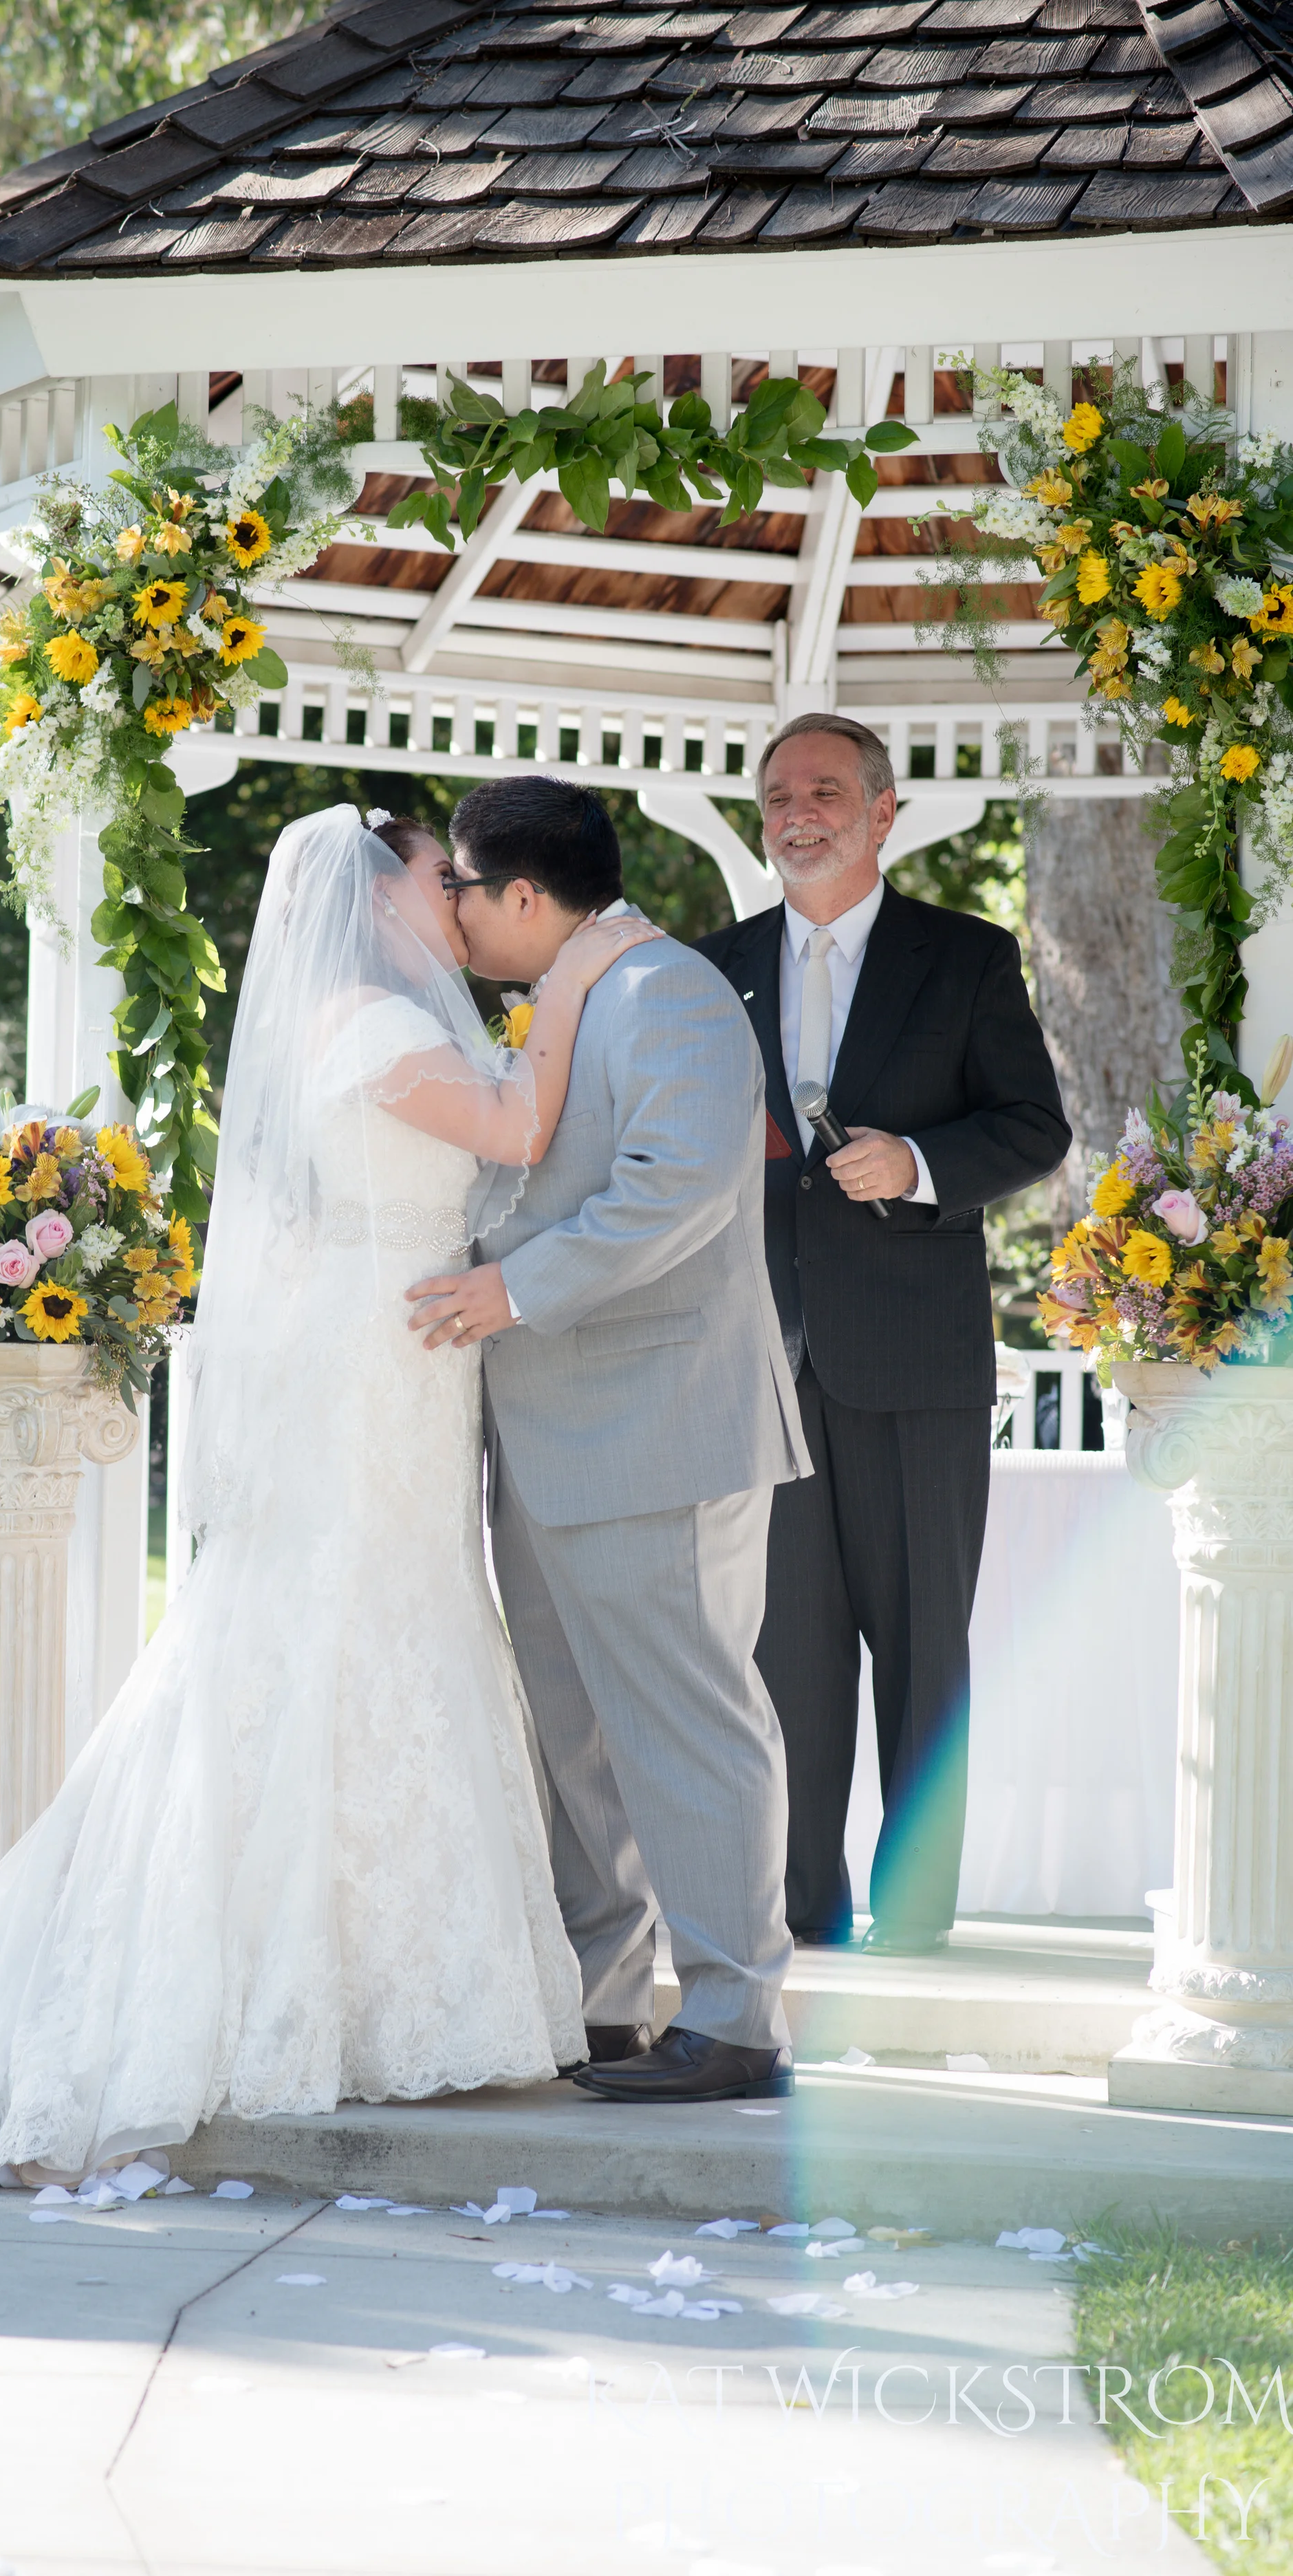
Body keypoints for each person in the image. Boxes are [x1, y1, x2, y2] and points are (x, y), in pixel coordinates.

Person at [0, 804, 660, 2183]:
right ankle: (306, 1987)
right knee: (342, 1618)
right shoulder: (368, 1026)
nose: (462, 894)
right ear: (378, 899)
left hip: (402, 1349)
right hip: (374, 1353)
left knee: (396, 1614)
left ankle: (388, 1986)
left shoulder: (385, 1019)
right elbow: (522, 1117)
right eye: (442, 876)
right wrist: (578, 974)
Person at [406, 777, 809, 2105]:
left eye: (460, 887)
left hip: (658, 1426)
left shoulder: (667, 993)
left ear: (527, 894)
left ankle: (740, 2015)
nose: (452, 914)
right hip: (550, 1431)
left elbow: (675, 1190)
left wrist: (510, 1290)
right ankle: (608, 2002)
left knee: (689, 1723)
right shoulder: (576, 1001)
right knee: (576, 1734)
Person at [698, 714, 1071, 1953]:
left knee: (923, 1654)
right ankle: (805, 1916)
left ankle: (914, 1926)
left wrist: (914, 1162)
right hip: (767, 1362)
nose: (796, 812)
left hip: (918, 1364)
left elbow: (1033, 1128)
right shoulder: (715, 967)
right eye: (776, 796)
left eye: (823, 790)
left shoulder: (965, 957)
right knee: (786, 1662)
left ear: (882, 812)